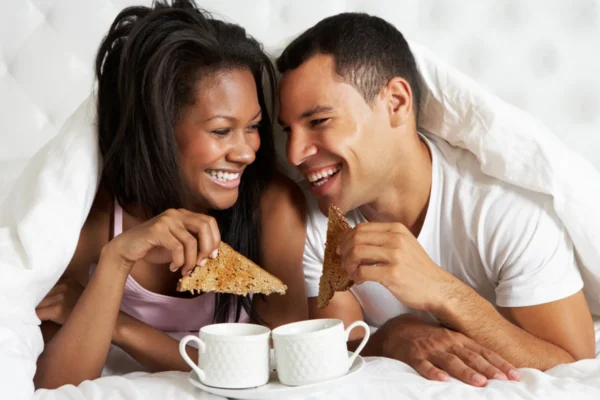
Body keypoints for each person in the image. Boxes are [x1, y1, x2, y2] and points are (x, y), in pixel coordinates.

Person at [276, 12, 596, 387]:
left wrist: (443, 292)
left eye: (318, 122)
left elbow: (575, 365)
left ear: (396, 102)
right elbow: (341, 344)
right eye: (288, 130)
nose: (295, 154)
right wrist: (395, 335)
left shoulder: (502, 209)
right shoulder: (316, 222)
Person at [34, 0, 307, 390]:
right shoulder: (96, 216)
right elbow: (55, 386)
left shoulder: (273, 204)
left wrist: (122, 327)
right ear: (158, 131)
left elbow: (283, 366)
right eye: (220, 131)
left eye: (254, 126)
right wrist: (118, 258)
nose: (247, 151)